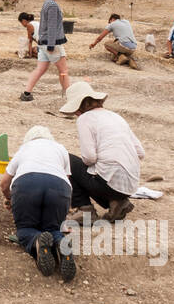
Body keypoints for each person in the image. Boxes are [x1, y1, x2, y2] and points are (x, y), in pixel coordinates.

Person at [58, 81, 144, 223]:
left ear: (78, 107)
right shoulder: (115, 116)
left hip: (109, 184)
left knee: (66, 159)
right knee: (94, 172)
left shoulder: (84, 119)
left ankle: (85, 210)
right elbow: (140, 152)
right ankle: (118, 201)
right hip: (129, 184)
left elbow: (89, 158)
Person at [0, 126, 75, 281]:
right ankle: (60, 242)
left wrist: (10, 199)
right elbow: (66, 179)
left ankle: (37, 240)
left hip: (27, 183)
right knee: (53, 228)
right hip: (59, 187)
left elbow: (4, 183)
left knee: (26, 228)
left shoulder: (24, 148)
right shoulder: (60, 149)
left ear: (28, 139)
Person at [19, 0, 71, 100]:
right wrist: (52, 45)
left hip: (43, 43)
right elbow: (52, 26)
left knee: (40, 69)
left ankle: (26, 93)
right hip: (51, 43)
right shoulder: (53, 5)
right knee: (63, 70)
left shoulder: (47, 2)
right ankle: (70, 97)